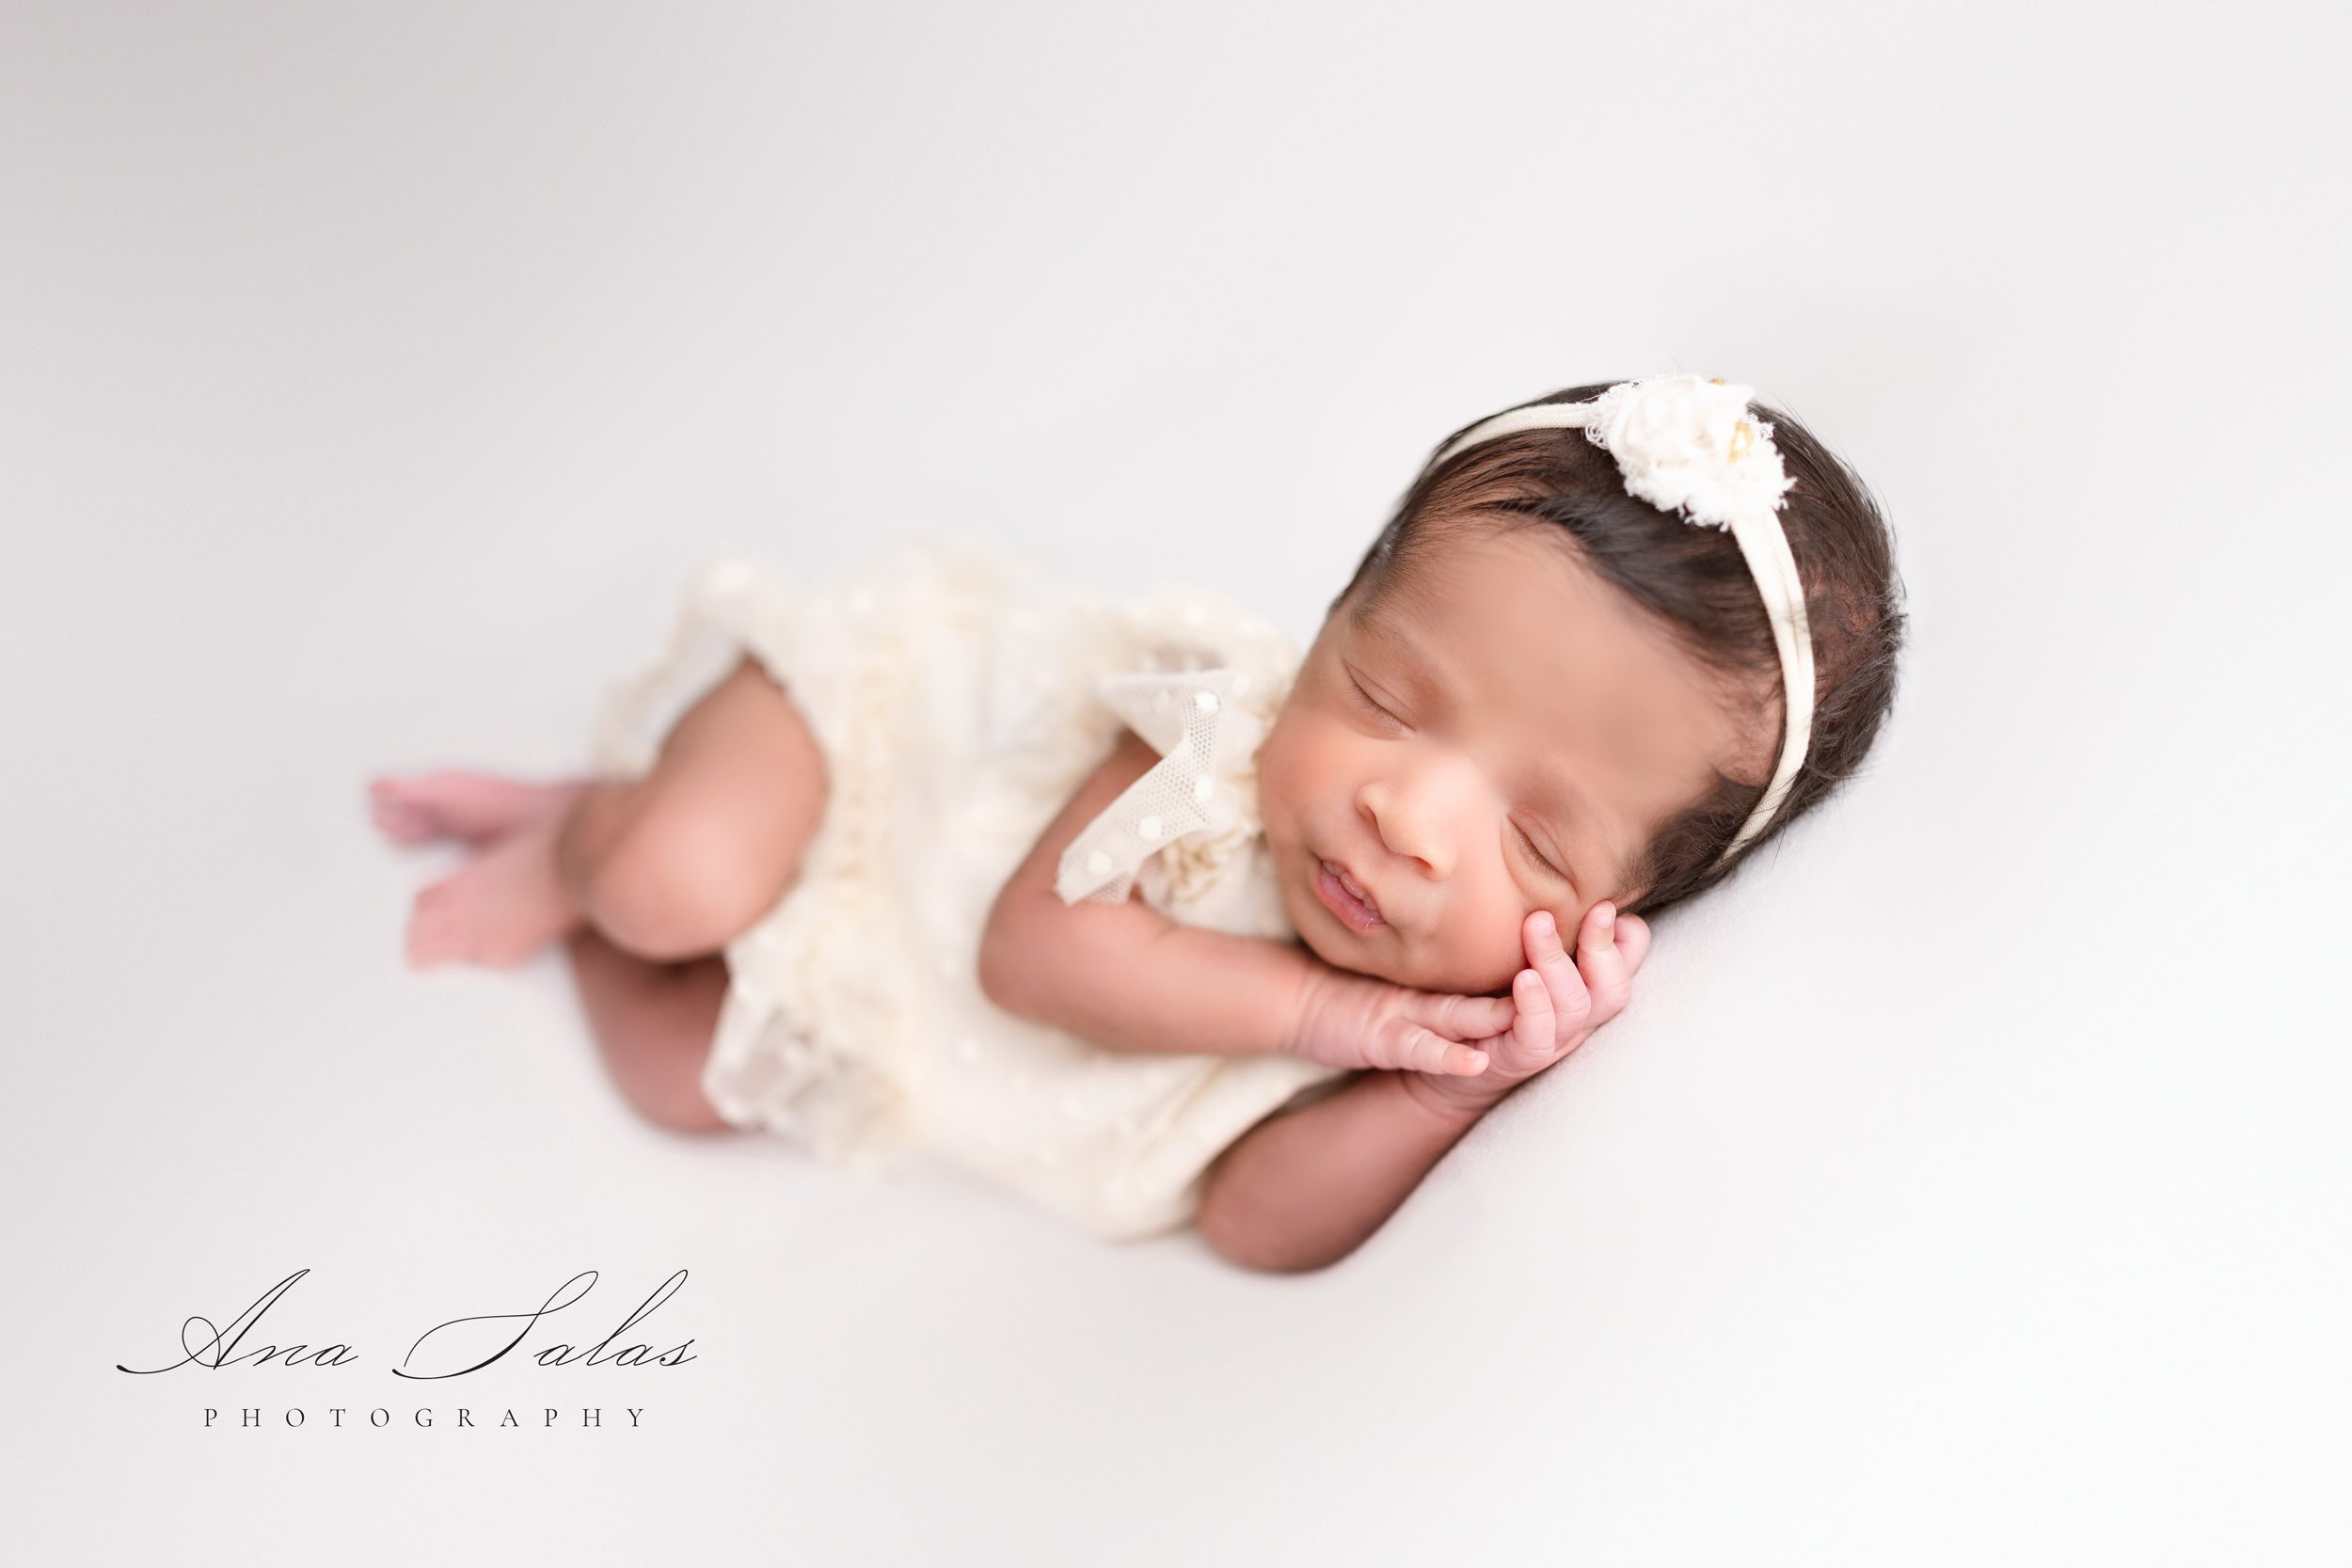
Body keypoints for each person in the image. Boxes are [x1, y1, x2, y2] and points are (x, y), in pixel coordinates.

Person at [369, 373, 1907, 1272]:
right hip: (887, 756)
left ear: (1626, 912)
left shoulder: (1436, 1025)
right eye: (1384, 690)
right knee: (670, 880)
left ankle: (589, 834)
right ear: (1326, 622)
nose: (1407, 815)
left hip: (881, 974)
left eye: (1543, 840)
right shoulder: (1221, 735)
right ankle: (593, 841)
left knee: (674, 1081)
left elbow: (1248, 1227)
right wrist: (1325, 1011)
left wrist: (1441, 1096)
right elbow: (1035, 952)